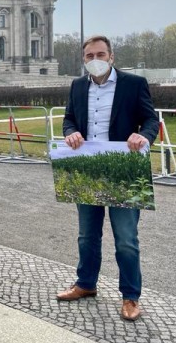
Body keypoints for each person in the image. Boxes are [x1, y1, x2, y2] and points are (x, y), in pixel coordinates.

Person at [57, 35, 159, 321]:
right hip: (87, 167)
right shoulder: (78, 86)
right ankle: (86, 284)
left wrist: (144, 135)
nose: (95, 60)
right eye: (89, 56)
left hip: (123, 167)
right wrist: (70, 133)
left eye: (100, 54)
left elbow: (151, 120)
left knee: (126, 238)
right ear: (84, 60)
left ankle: (130, 296)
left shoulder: (133, 84)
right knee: (87, 234)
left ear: (112, 57)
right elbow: (69, 119)